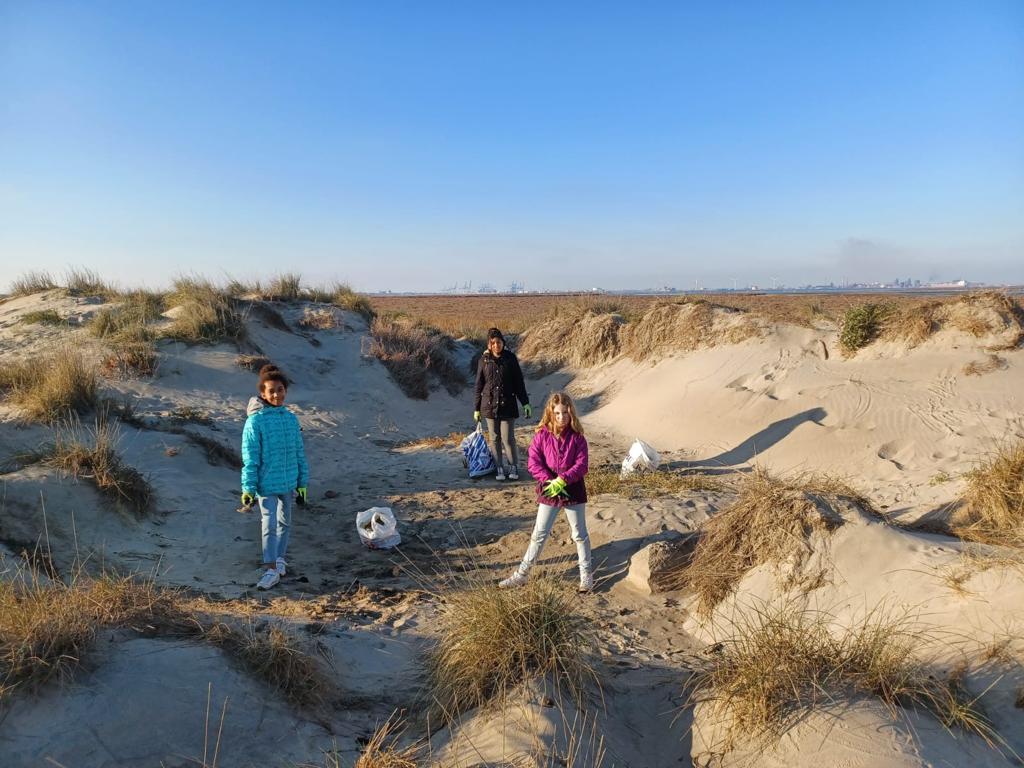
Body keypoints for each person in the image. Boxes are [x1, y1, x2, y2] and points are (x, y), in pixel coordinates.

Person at [499, 392, 593, 592]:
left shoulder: (578, 437)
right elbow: (533, 463)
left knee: (579, 534)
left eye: (565, 413)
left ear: (571, 413)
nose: (561, 417)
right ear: (551, 413)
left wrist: (564, 479)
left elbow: (582, 464)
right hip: (549, 490)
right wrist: (549, 480)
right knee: (539, 534)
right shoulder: (541, 435)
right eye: (557, 413)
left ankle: (586, 576)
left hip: (573, 490)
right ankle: (521, 574)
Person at [241, 364, 309, 591]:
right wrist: (248, 488)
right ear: (262, 393)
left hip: (288, 483)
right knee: (268, 524)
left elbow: (299, 453)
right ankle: (270, 568)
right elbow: (250, 457)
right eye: (271, 391)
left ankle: (279, 559)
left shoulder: (291, 419)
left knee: (284, 522)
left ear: (285, 390)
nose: (276, 395)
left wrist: (302, 483)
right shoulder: (255, 421)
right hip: (266, 484)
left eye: (280, 390)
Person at [474, 327, 531, 481]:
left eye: (498, 342)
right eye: (492, 343)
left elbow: (519, 383)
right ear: (489, 344)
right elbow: (479, 385)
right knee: (494, 438)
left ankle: (513, 466)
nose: (496, 345)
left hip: (508, 404)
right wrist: (476, 408)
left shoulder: (510, 358)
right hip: (489, 405)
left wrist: (525, 403)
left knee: (508, 438)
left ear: (503, 343)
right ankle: (499, 467)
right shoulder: (484, 360)